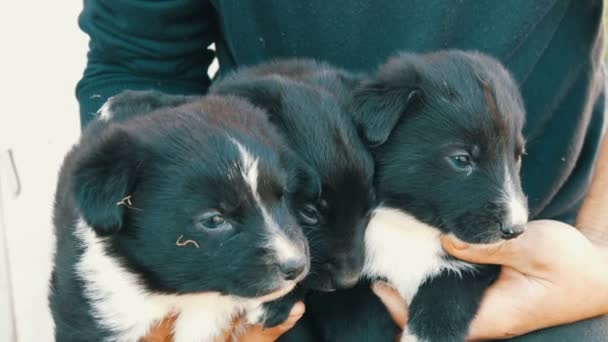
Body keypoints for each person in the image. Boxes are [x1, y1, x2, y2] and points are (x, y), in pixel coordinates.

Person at [77, 1, 608, 340]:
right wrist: (172, 274)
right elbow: (137, 60)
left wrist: (601, 260)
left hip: (546, 276)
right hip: (267, 278)